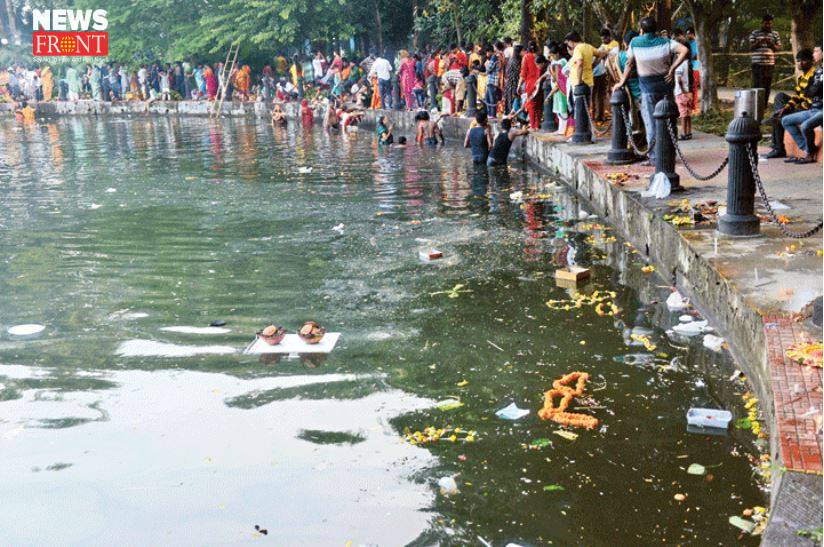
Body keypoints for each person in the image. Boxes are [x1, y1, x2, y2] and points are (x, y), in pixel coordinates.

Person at [612, 17, 689, 163]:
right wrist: (672, 68)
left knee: (651, 123)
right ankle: (669, 153)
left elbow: (629, 64)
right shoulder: (665, 42)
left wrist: (621, 81)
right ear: (656, 29)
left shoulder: (635, 43)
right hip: (665, 88)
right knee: (669, 120)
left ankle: (654, 157)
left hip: (647, 89)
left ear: (641, 30)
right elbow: (684, 50)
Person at [778, 47, 822, 163]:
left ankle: (809, 152)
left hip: (818, 109)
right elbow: (801, 94)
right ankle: (807, 149)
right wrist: (786, 107)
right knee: (785, 119)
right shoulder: (807, 76)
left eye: (803, 60)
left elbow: (811, 92)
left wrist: (804, 100)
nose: (800, 63)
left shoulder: (815, 72)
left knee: (805, 126)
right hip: (812, 109)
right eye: (798, 61)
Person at [749, 14, 781, 114]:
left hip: (769, 64)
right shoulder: (754, 33)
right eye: (766, 23)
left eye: (770, 23)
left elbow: (778, 48)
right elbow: (750, 47)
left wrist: (770, 43)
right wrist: (760, 42)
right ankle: (754, 106)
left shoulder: (775, 34)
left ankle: (764, 106)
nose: (768, 25)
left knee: (767, 85)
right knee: (757, 84)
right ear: (762, 23)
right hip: (757, 64)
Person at [673, 30, 694, 139]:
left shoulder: (679, 65)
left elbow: (679, 80)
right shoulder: (688, 63)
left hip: (681, 92)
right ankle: (689, 132)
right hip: (688, 91)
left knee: (682, 114)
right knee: (688, 113)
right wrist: (689, 91)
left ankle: (683, 133)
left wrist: (684, 91)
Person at [686, 28, 700, 112]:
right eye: (687, 34)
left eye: (689, 34)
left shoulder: (697, 43)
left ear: (693, 34)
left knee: (694, 87)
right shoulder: (688, 43)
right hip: (688, 67)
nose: (687, 35)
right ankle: (690, 104)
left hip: (695, 67)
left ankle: (694, 106)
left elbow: (696, 56)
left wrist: (688, 56)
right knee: (688, 87)